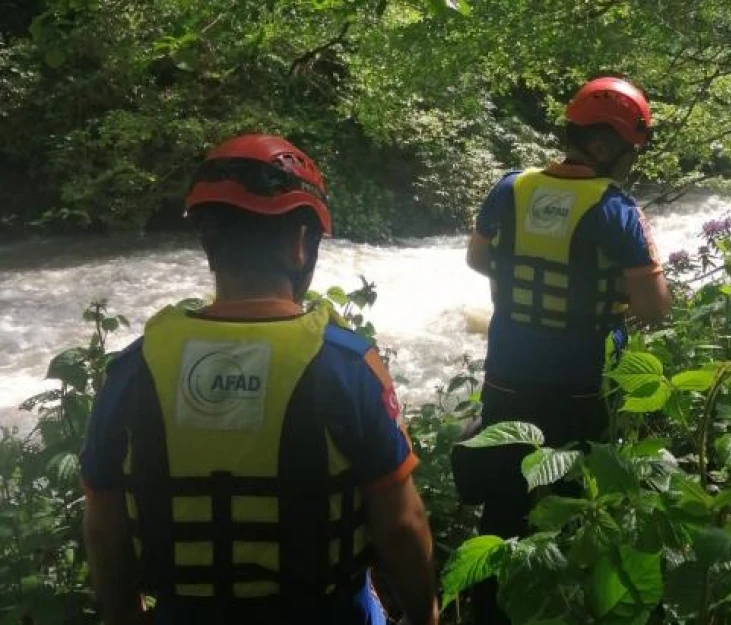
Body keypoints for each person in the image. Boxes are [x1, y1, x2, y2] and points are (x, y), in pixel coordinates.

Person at [79, 134, 438, 625]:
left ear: (209, 241)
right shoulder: (349, 366)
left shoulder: (131, 370)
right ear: (300, 244)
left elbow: (103, 531)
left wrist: (125, 616)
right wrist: (427, 617)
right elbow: (401, 525)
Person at [458, 77, 672, 624]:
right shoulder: (616, 210)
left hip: (507, 374)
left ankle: (488, 610)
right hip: (582, 386)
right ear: (608, 146)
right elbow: (654, 308)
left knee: (504, 504)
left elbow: (478, 261)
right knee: (571, 506)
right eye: (631, 151)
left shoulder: (510, 188)